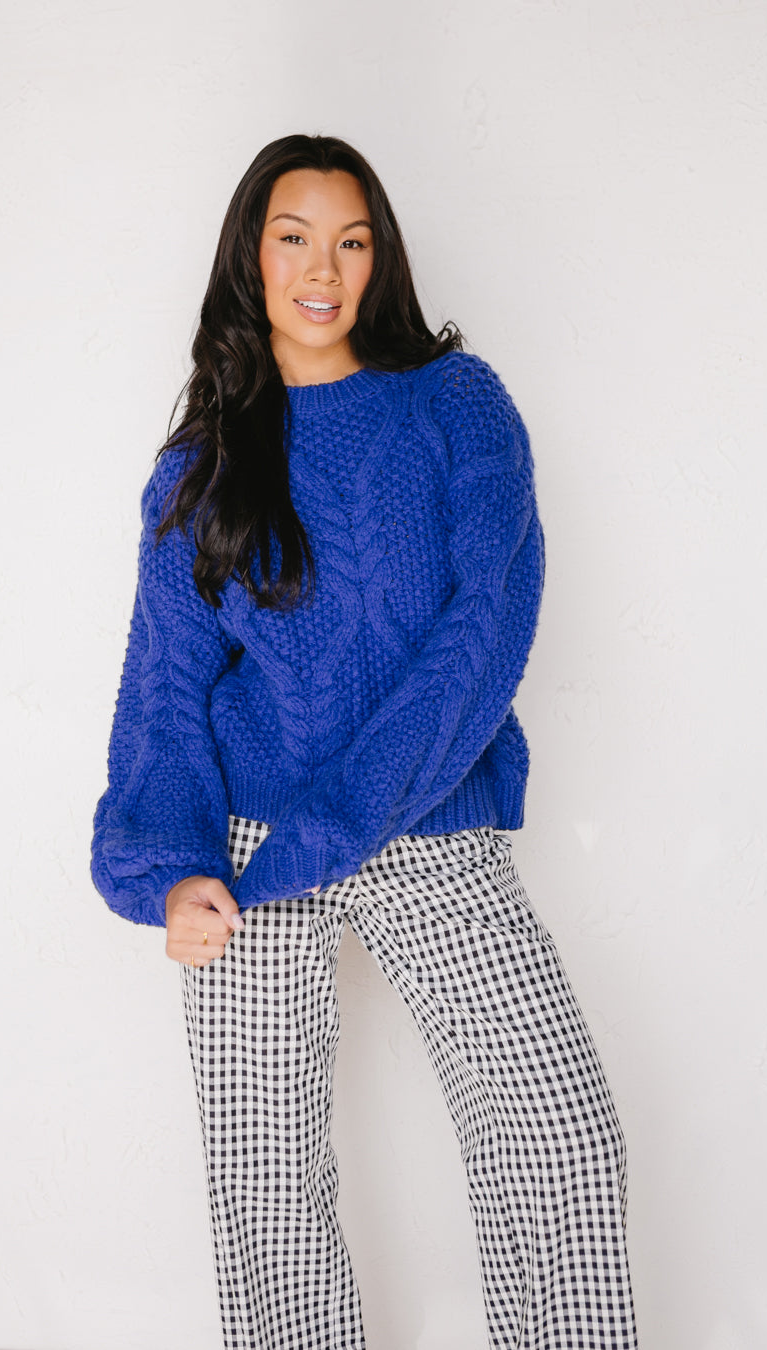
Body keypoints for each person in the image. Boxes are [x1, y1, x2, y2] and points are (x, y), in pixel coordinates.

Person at [90, 133, 638, 1350]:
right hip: (249, 854)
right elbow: (167, 691)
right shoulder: (200, 464)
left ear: (381, 257)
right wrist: (168, 870)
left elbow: (486, 624)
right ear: (251, 256)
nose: (323, 269)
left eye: (352, 240)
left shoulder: (456, 404)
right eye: (294, 238)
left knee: (558, 1137)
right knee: (269, 1196)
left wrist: (345, 813)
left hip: (426, 817)